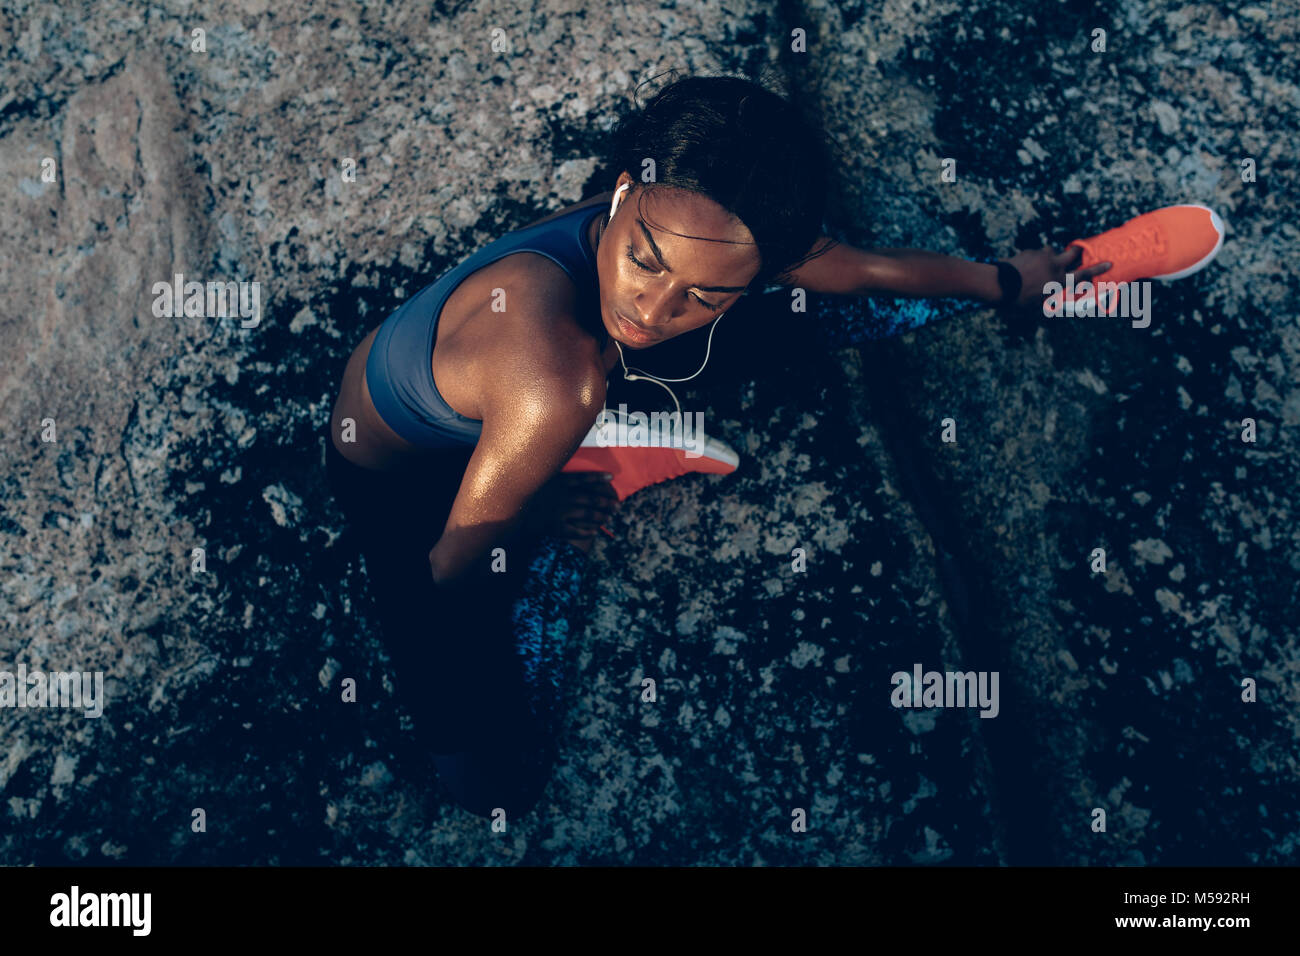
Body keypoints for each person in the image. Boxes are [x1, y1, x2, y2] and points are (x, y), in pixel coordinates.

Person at [324, 70, 1222, 818]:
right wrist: (538, 521)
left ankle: (1056, 280)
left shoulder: (688, 219)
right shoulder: (557, 377)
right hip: (414, 476)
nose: (658, 308)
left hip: (542, 406)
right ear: (626, 194)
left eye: (709, 293)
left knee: (816, 309)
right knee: (494, 790)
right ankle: (592, 475)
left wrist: (1002, 277)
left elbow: (850, 264)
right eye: (648, 261)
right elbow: (443, 571)